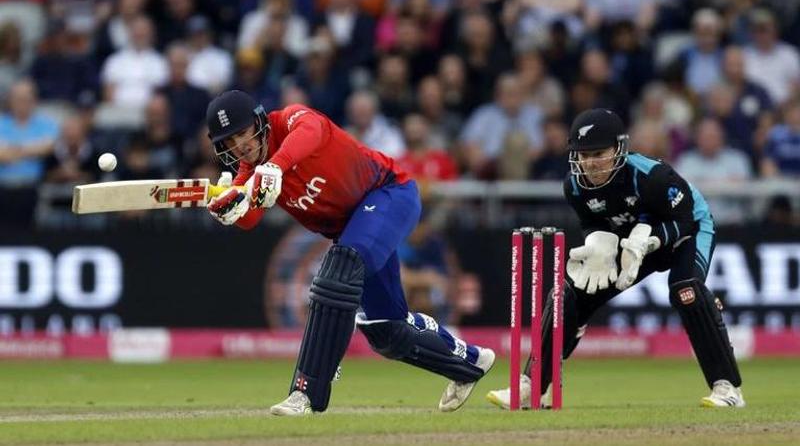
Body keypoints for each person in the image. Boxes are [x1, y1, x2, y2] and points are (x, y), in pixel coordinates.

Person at [203, 90, 495, 416]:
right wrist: (228, 207)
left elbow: (311, 131)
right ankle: (469, 364)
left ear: (258, 121)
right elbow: (250, 217)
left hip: (388, 194)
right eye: (230, 141)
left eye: (243, 132)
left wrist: (276, 166)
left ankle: (306, 393)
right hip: (357, 228)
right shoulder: (249, 171)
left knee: (337, 271)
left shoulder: (290, 120)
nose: (240, 145)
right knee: (386, 332)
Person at [487, 108, 744, 409]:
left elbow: (687, 219)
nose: (590, 163)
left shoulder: (652, 176)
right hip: (631, 243)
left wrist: (652, 240)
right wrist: (598, 242)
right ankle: (533, 384)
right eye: (583, 155)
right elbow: (592, 221)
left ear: (618, 148)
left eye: (598, 153)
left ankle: (727, 388)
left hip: (686, 232)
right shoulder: (574, 186)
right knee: (568, 294)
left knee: (686, 290)